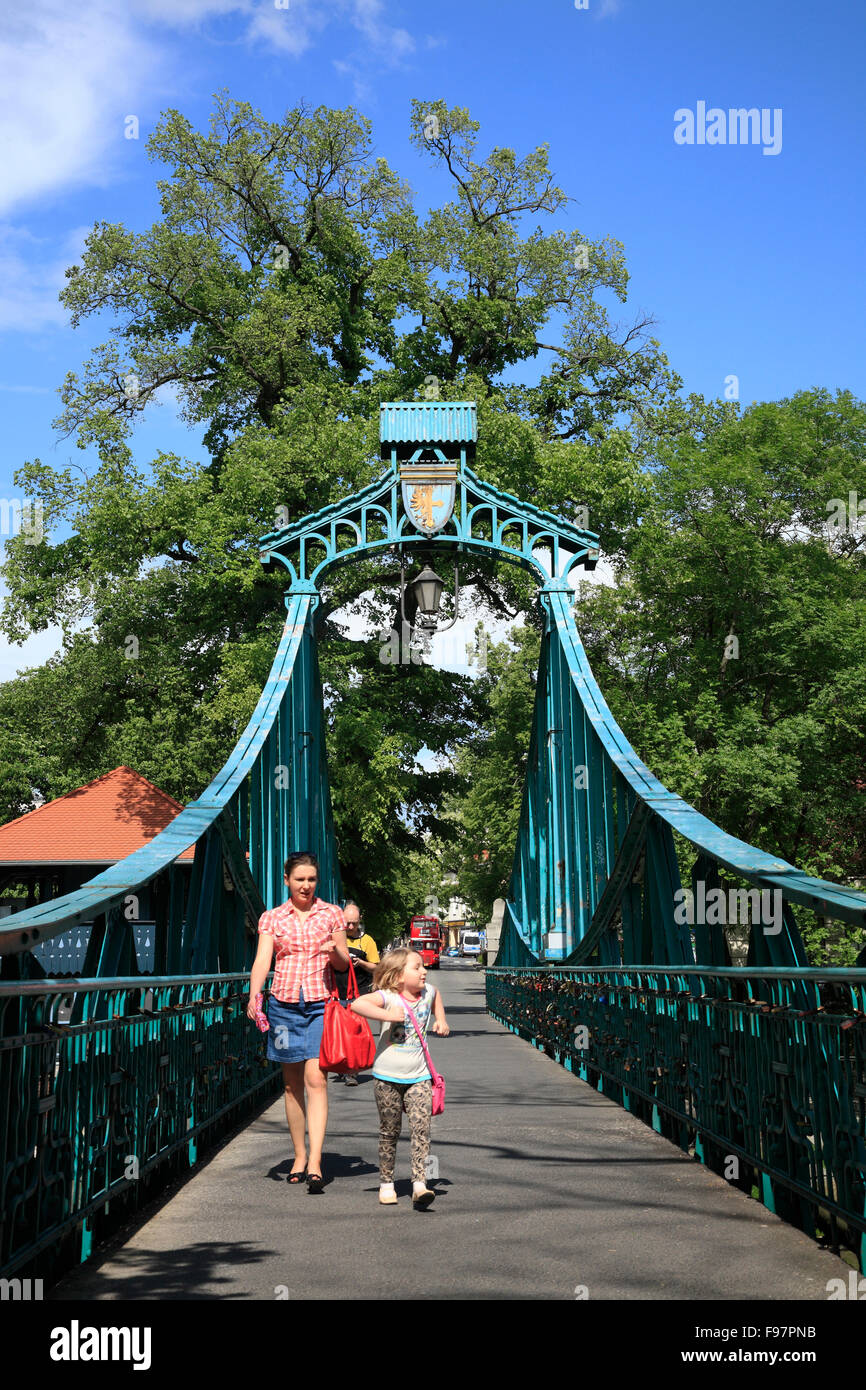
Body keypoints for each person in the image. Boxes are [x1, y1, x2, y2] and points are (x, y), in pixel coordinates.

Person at [246, 851, 349, 1193]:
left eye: (311, 879)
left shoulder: (331, 913)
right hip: (282, 1007)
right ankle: (299, 1156)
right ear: (286, 881)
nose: (306, 885)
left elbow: (343, 964)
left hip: (322, 1005)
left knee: (315, 1079)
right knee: (291, 1085)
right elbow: (263, 959)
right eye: (300, 879)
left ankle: (316, 1160)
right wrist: (253, 995)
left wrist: (332, 951)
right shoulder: (271, 918)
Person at [350, 947, 449, 1208]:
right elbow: (357, 1003)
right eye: (416, 967)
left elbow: (437, 996)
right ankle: (386, 1183)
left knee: (421, 1130)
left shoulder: (428, 992)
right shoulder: (388, 996)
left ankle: (420, 1184)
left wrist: (441, 1019)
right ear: (397, 976)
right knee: (390, 1131)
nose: (424, 971)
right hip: (387, 1076)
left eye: (423, 966)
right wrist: (387, 1015)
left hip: (419, 1076)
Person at [332, 900, 380, 1086]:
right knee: (338, 1031)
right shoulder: (335, 937)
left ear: (360, 920)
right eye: (347, 922)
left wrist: (360, 963)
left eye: (353, 923)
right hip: (337, 991)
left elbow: (376, 967)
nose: (350, 926)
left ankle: (352, 1071)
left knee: (353, 1033)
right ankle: (341, 1063)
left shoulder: (367, 941)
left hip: (359, 993)